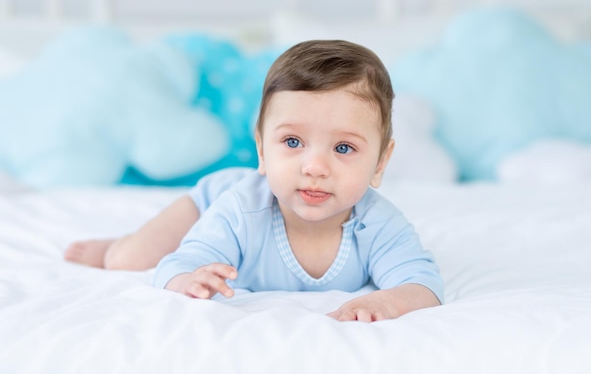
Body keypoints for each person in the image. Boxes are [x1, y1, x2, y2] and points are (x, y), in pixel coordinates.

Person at [65, 39, 443, 321]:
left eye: (343, 148)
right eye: (292, 142)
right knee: (131, 258)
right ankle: (112, 247)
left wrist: (389, 301)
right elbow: (182, 261)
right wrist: (189, 278)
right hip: (209, 201)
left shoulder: (379, 224)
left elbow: (423, 284)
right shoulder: (239, 209)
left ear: (380, 162)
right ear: (262, 151)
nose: (314, 167)